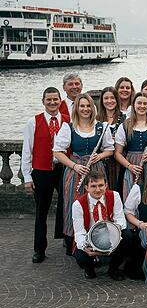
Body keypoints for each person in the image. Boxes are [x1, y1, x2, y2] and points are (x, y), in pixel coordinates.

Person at [53, 93, 115, 255]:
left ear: (93, 108)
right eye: (82, 106)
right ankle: (77, 244)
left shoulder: (101, 127)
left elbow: (110, 149)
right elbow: (57, 152)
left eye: (88, 106)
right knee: (75, 205)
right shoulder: (69, 127)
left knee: (97, 203)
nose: (85, 109)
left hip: (96, 170)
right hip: (76, 172)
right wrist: (75, 166)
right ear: (76, 108)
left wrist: (99, 156)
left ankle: (99, 240)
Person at [22, 87, 70, 263]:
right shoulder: (33, 122)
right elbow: (27, 151)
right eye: (49, 100)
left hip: (63, 169)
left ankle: (69, 241)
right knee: (41, 212)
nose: (52, 103)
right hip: (42, 171)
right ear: (43, 101)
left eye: (55, 99)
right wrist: (27, 177)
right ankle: (39, 249)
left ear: (60, 101)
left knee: (68, 208)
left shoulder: (67, 121)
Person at [71, 172, 129, 280]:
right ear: (86, 188)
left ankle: (113, 269)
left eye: (101, 185)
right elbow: (79, 232)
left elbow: (121, 220)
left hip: (110, 233)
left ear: (106, 185)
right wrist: (86, 247)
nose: (98, 190)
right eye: (93, 186)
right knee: (80, 256)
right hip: (90, 237)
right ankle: (89, 268)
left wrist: (114, 238)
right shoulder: (77, 205)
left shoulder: (114, 196)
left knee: (128, 236)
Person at [114, 93, 147, 200]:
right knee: (130, 196)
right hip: (131, 165)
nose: (142, 106)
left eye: (145, 103)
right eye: (139, 103)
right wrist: (130, 166)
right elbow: (117, 153)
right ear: (133, 105)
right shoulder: (125, 125)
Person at [96, 86, 125, 194]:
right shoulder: (96, 119)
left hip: (118, 161)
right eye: (106, 98)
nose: (109, 101)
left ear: (117, 100)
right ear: (102, 101)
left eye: (112, 98)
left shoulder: (124, 118)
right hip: (102, 161)